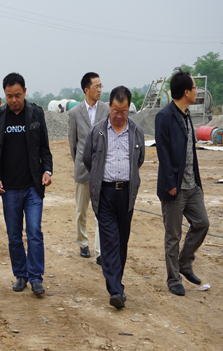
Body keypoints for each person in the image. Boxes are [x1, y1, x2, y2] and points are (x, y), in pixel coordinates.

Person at [0, 72, 53, 295]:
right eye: (9, 96)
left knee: (34, 232)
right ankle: (21, 275)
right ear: (4, 95)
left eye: (17, 95)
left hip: (33, 186)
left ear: (25, 92)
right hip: (9, 189)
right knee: (14, 236)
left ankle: (36, 277)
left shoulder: (36, 113)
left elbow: (44, 148)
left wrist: (47, 171)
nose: (14, 100)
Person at [83, 86, 144, 309]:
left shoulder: (136, 132)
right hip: (105, 193)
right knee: (110, 242)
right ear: (109, 107)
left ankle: (117, 284)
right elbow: (88, 159)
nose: (119, 116)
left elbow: (139, 160)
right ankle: (116, 290)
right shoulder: (98, 131)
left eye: (123, 112)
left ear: (129, 110)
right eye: (116, 111)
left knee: (121, 242)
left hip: (126, 194)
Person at [155, 68, 209, 296]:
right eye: (195, 88)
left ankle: (184, 263)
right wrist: (170, 184)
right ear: (186, 92)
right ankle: (173, 278)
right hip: (174, 188)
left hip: (192, 185)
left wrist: (197, 182)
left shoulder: (187, 115)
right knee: (173, 236)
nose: (197, 91)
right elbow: (163, 153)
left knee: (202, 223)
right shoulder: (164, 116)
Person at [68, 72, 109, 264]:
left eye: (101, 86)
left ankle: (100, 251)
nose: (99, 90)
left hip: (103, 170)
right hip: (83, 169)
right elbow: (73, 144)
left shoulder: (106, 110)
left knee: (101, 212)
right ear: (86, 90)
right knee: (81, 211)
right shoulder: (75, 113)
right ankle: (83, 243)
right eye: (96, 86)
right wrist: (80, 161)